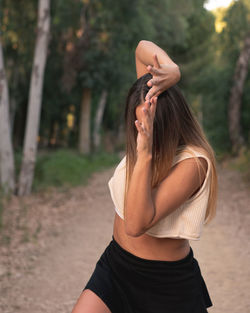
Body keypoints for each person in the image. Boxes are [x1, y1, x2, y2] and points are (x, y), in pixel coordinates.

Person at [71, 40, 218, 313]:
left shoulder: (194, 162)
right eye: (137, 123)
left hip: (166, 285)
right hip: (116, 266)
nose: (142, 130)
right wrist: (172, 71)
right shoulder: (145, 110)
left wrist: (146, 153)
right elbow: (141, 48)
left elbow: (136, 224)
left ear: (170, 121)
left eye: (150, 124)